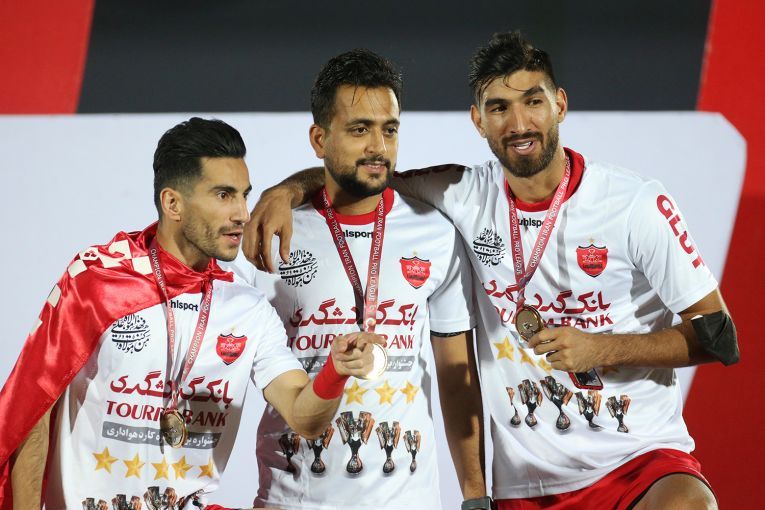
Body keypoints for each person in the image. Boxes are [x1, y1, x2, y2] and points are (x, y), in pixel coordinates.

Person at [243, 32, 739, 510]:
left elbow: (720, 339)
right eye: (500, 108)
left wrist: (602, 347)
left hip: (637, 460)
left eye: (533, 101)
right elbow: (361, 172)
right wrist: (284, 191)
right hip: (525, 483)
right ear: (478, 121)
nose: (519, 123)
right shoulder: (460, 195)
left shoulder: (634, 203)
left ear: (560, 104)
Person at [0, 117, 381, 509]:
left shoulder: (247, 308)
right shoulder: (98, 281)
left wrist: (335, 370)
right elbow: (32, 416)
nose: (242, 213)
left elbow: (305, 418)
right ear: (173, 203)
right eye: (223, 195)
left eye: (244, 196)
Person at [228, 49, 486, 510]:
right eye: (359, 129)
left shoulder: (434, 232)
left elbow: (455, 377)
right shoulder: (272, 232)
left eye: (390, 129)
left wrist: (475, 497)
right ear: (319, 138)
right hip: (293, 500)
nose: (378, 147)